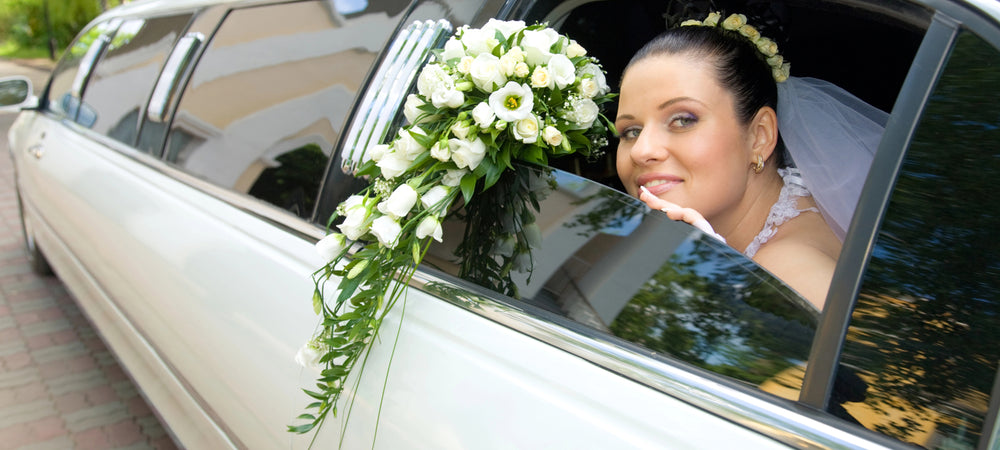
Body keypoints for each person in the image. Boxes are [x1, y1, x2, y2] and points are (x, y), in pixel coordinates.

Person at [615, 12, 886, 310]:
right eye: (631, 131)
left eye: (683, 120)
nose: (641, 150)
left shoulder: (786, 278)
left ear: (759, 136)